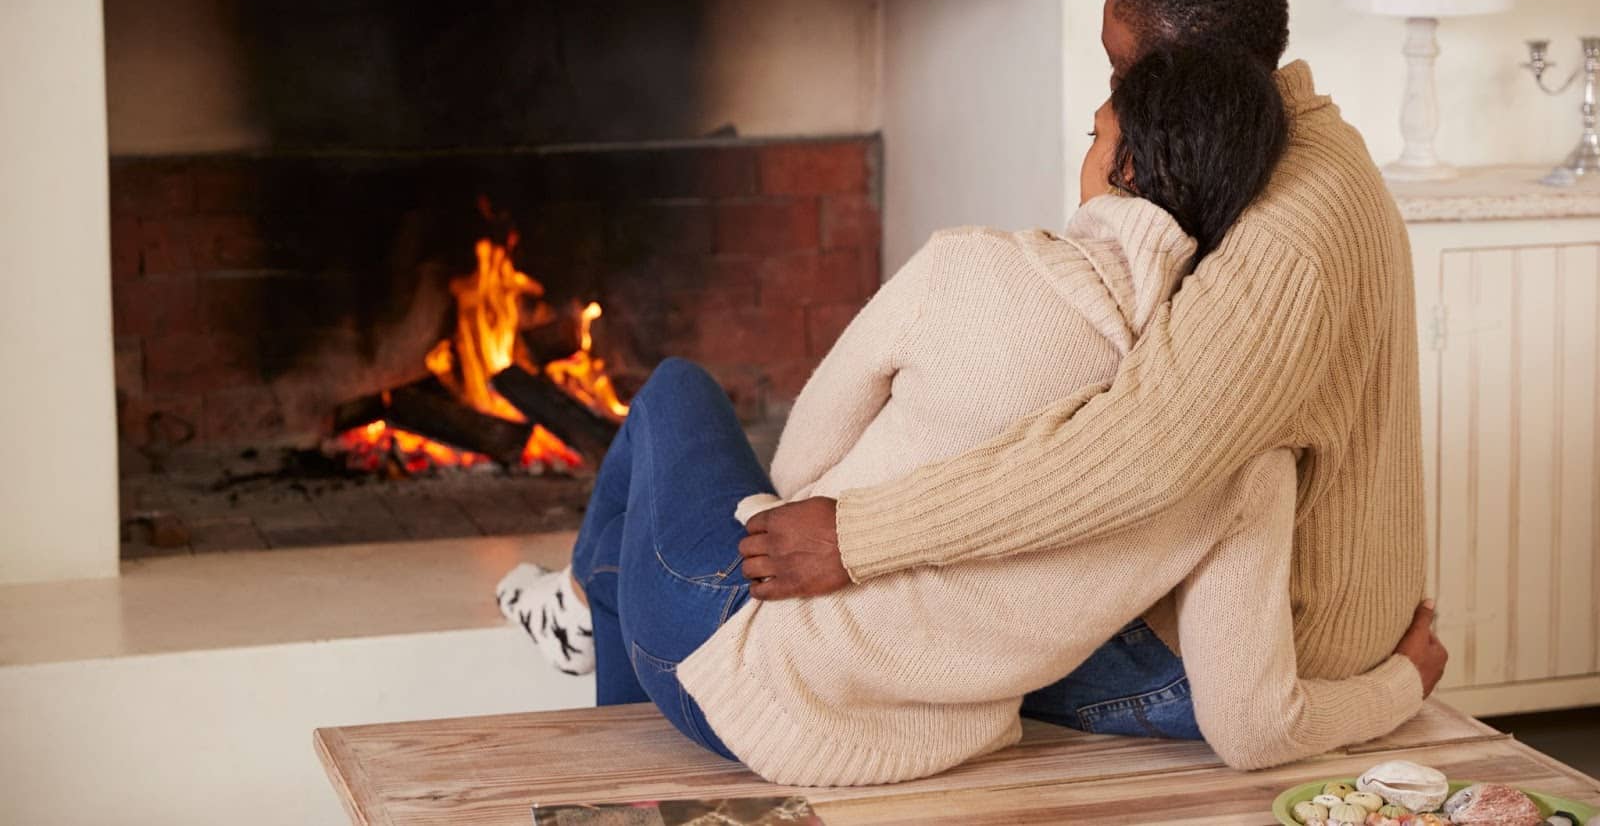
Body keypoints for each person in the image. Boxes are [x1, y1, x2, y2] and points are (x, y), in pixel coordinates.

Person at [496, 45, 1447, 786]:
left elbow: (799, 473)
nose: (1083, 154)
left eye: (1094, 134)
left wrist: (820, 562)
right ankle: (597, 618)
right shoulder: (1244, 452)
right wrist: (1401, 682)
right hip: (882, 738)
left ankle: (587, 605)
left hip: (726, 652)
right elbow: (1251, 726)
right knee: (647, 553)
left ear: (1123, 172)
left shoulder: (974, 267)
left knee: (671, 389)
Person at [738, 0, 1438, 742]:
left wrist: (856, 536)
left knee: (782, 599)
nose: (1110, 99)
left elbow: (1135, 458)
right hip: (1265, 607)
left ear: (1188, 69)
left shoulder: (1284, 230)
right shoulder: (1300, 152)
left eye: (1122, 70)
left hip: (1252, 654)